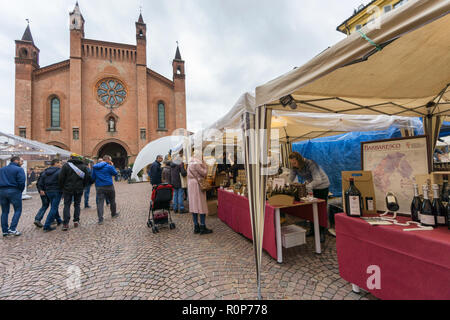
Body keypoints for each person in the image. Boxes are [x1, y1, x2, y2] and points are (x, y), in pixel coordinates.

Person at [289, 152, 330, 243]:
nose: (293, 165)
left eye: (294, 163)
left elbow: (318, 180)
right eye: (291, 163)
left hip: (322, 186)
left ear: (299, 160)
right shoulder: (294, 166)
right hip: (312, 186)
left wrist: (307, 187)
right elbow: (290, 178)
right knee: (312, 209)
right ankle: (313, 230)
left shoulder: (311, 164)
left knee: (320, 210)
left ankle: (321, 232)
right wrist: (288, 184)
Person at [58, 154, 91, 231]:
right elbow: (87, 178)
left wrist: (62, 187)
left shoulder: (66, 166)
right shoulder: (83, 166)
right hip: (79, 189)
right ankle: (76, 220)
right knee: (77, 204)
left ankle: (65, 223)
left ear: (71, 158)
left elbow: (61, 178)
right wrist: (83, 186)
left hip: (67, 189)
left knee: (67, 205)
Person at [187, 152, 212, 235]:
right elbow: (204, 173)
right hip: (197, 184)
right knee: (201, 205)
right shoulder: (197, 162)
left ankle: (196, 226)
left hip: (191, 184)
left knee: (194, 205)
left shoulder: (190, 162)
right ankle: (202, 226)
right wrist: (205, 165)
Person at [0, 156, 26, 237]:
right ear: (16, 161)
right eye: (21, 161)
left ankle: (5, 231)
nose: (22, 163)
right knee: (18, 210)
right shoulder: (19, 169)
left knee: (4, 211)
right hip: (14, 191)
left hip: (2, 191)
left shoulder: (2, 169)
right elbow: (22, 182)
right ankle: (12, 229)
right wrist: (20, 191)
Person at [92, 155, 119, 225]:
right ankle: (113, 214)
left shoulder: (95, 167)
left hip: (99, 187)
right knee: (112, 200)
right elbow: (115, 173)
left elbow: (93, 177)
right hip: (109, 185)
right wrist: (112, 166)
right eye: (110, 160)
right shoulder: (109, 166)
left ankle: (100, 219)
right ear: (108, 160)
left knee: (100, 203)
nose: (111, 161)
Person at [38, 159, 63, 232]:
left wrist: (41, 189)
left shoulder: (45, 171)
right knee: (54, 208)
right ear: (56, 163)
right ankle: (47, 225)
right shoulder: (59, 171)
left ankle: (59, 220)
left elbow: (40, 181)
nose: (61, 165)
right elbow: (62, 181)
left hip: (48, 191)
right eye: (60, 163)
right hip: (57, 191)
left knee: (53, 206)